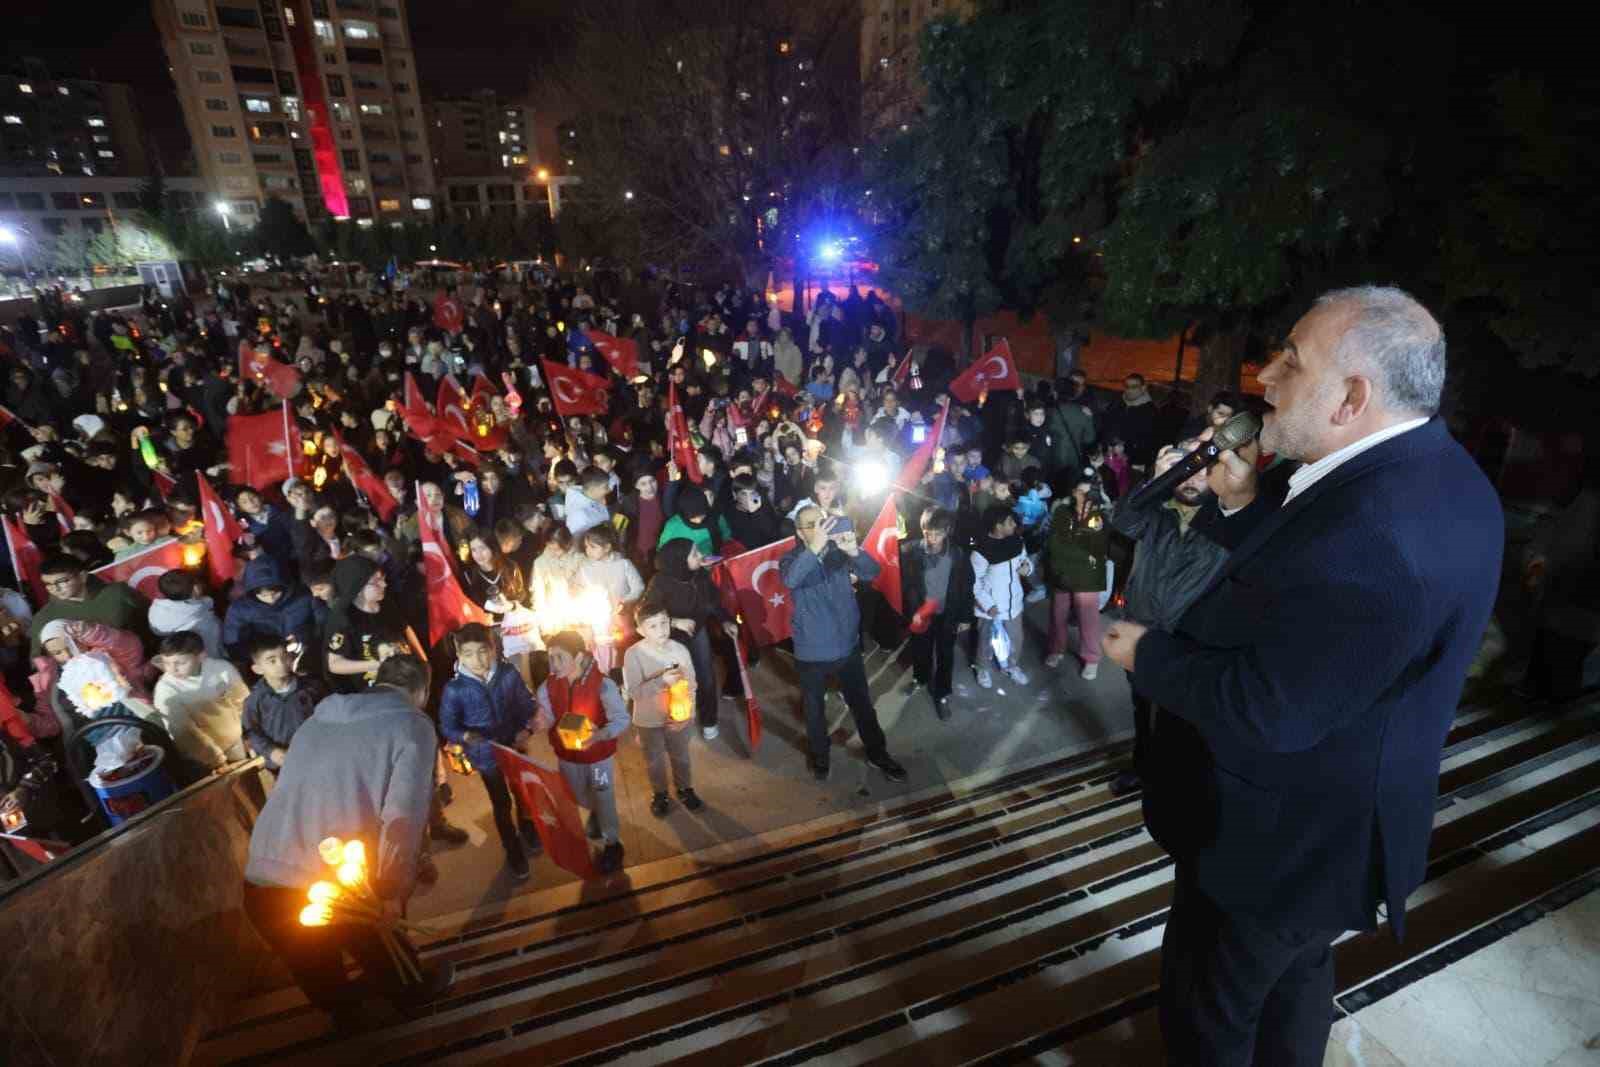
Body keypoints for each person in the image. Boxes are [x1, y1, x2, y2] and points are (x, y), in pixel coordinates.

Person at [1101, 287, 1502, 1067]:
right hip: (1329, 843)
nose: (1265, 375)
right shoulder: (1434, 473)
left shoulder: (1381, 538)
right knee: (1294, 983)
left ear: (1352, 397)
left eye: (1292, 360)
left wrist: (1146, 654)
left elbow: (1272, 706)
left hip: (1273, 849)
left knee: (1208, 1019)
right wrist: (1243, 506)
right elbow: (1309, 594)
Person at [242, 654, 453, 1029]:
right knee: (379, 939)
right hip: (336, 876)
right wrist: (392, 889)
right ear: (422, 692)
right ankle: (411, 996)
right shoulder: (411, 725)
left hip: (264, 871)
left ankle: (350, 1022)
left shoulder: (314, 722)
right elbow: (402, 816)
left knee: (315, 968)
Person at [1106, 438, 1235, 797]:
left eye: (1202, 471)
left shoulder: (1228, 518)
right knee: (1142, 707)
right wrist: (1157, 480)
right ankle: (1143, 767)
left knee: (1182, 718)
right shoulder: (1156, 511)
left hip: (1191, 642)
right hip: (1141, 633)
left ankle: (1177, 780)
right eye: (1184, 471)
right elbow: (1123, 520)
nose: (1192, 480)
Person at [779, 507, 906, 784]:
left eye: (822, 522)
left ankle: (877, 752)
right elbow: (791, 579)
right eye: (812, 525)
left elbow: (871, 573)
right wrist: (814, 548)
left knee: (862, 704)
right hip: (812, 651)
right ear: (800, 533)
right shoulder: (791, 559)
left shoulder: (838, 551)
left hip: (847, 645)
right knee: (814, 710)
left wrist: (853, 551)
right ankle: (820, 756)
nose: (820, 529)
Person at [438, 623, 542, 882]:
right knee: (501, 802)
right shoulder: (455, 690)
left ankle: (528, 826)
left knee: (523, 791)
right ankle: (512, 846)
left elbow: (526, 704)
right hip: (486, 756)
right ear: (459, 655)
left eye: (483, 651)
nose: (477, 660)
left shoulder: (508, 674)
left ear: (493, 649)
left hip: (514, 747)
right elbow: (448, 725)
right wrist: (465, 736)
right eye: (468, 654)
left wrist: (527, 729)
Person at [531, 630, 631, 873]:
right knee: (576, 795)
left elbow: (621, 719)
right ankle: (596, 812)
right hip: (568, 756)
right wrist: (539, 722)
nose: (553, 664)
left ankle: (612, 843)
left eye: (560, 657)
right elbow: (548, 715)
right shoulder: (548, 686)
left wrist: (600, 735)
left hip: (598, 759)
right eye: (550, 658)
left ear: (579, 656)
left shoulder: (603, 685)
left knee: (603, 794)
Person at [622, 594, 703, 816]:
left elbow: (692, 684)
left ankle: (685, 789)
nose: (661, 630)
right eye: (653, 626)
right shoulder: (633, 654)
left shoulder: (680, 650)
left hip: (678, 718)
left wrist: (689, 715)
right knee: (654, 760)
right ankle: (660, 793)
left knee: (681, 756)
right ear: (641, 630)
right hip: (648, 721)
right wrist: (661, 682)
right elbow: (634, 692)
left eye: (664, 623)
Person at [648, 539, 735, 740]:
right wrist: (674, 622)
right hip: (668, 640)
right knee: (674, 680)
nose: (701, 556)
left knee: (706, 677)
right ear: (680, 560)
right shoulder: (660, 582)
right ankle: (674, 718)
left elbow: (713, 602)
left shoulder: (700, 575)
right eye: (695, 554)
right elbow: (646, 614)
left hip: (697, 633)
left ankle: (709, 720)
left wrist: (725, 621)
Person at [899, 507, 975, 720]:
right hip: (921, 614)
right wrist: (909, 607)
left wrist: (965, 616)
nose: (932, 538)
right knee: (920, 648)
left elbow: (966, 586)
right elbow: (903, 582)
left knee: (945, 654)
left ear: (947, 531)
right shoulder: (910, 551)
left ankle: (942, 693)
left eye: (937, 533)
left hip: (947, 614)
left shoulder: (957, 554)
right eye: (927, 533)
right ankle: (921, 677)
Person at [151, 630, 251, 772]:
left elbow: (243, 701)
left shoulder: (221, 669)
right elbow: (184, 733)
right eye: (167, 663)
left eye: (180, 663)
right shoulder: (166, 690)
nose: (172, 669)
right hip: (203, 755)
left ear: (201, 656)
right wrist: (216, 759)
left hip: (235, 740)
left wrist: (249, 733)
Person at [1043, 473, 1111, 678]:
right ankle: (1056, 649)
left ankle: (1091, 658)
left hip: (1087, 575)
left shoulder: (1099, 516)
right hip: (1062, 571)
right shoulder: (1062, 511)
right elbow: (1055, 543)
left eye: (1088, 493)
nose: (1083, 496)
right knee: (1058, 614)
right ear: (1073, 492)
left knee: (1088, 617)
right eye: (1079, 491)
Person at [27, 553, 150, 655]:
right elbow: (41, 661)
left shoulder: (118, 593)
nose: (55, 588)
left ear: (82, 576)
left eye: (62, 581)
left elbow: (150, 618)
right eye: (48, 584)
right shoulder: (43, 618)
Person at [241, 634, 327, 775]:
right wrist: (271, 751)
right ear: (257, 669)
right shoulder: (255, 700)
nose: (281, 664)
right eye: (272, 661)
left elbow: (330, 717)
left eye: (285, 656)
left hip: (318, 756)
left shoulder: (312, 688)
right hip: (282, 766)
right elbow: (251, 732)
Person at [970, 504, 1032, 689]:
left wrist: (1028, 568)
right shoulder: (981, 551)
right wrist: (988, 605)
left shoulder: (1017, 542)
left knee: (1016, 638)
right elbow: (974, 582)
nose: (1014, 525)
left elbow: (1025, 560)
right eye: (1010, 522)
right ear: (998, 526)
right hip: (991, 608)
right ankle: (982, 668)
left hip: (1014, 605)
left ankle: (1011, 666)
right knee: (986, 640)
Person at [148, 569, 225, 660]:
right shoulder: (205, 622)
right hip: (208, 658)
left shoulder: (155, 610)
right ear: (195, 589)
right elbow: (214, 652)